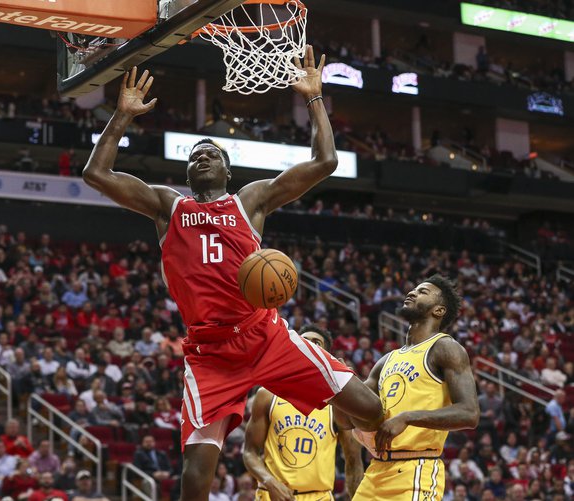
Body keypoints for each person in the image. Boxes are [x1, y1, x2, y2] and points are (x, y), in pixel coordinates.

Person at [83, 46, 383, 500]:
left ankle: (387, 478)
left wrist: (314, 98)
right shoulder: (169, 206)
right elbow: (96, 173)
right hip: (210, 353)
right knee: (196, 473)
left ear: (228, 169)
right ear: (187, 170)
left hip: (266, 335)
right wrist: (121, 115)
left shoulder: (251, 200)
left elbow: (325, 162)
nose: (202, 157)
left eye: (212, 153)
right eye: (195, 155)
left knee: (371, 408)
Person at [352, 275, 480, 501]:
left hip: (415, 470)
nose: (411, 292)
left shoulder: (445, 348)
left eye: (423, 292)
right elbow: (351, 414)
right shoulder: (385, 361)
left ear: (438, 311)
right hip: (375, 471)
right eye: (413, 289)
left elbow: (469, 413)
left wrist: (408, 417)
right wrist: (340, 382)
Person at [243, 324, 364, 500]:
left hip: (319, 496)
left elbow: (353, 460)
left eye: (317, 343)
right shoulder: (267, 395)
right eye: (304, 341)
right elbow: (249, 452)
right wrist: (268, 480)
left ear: (326, 357)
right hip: (272, 494)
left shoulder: (337, 403)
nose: (310, 345)